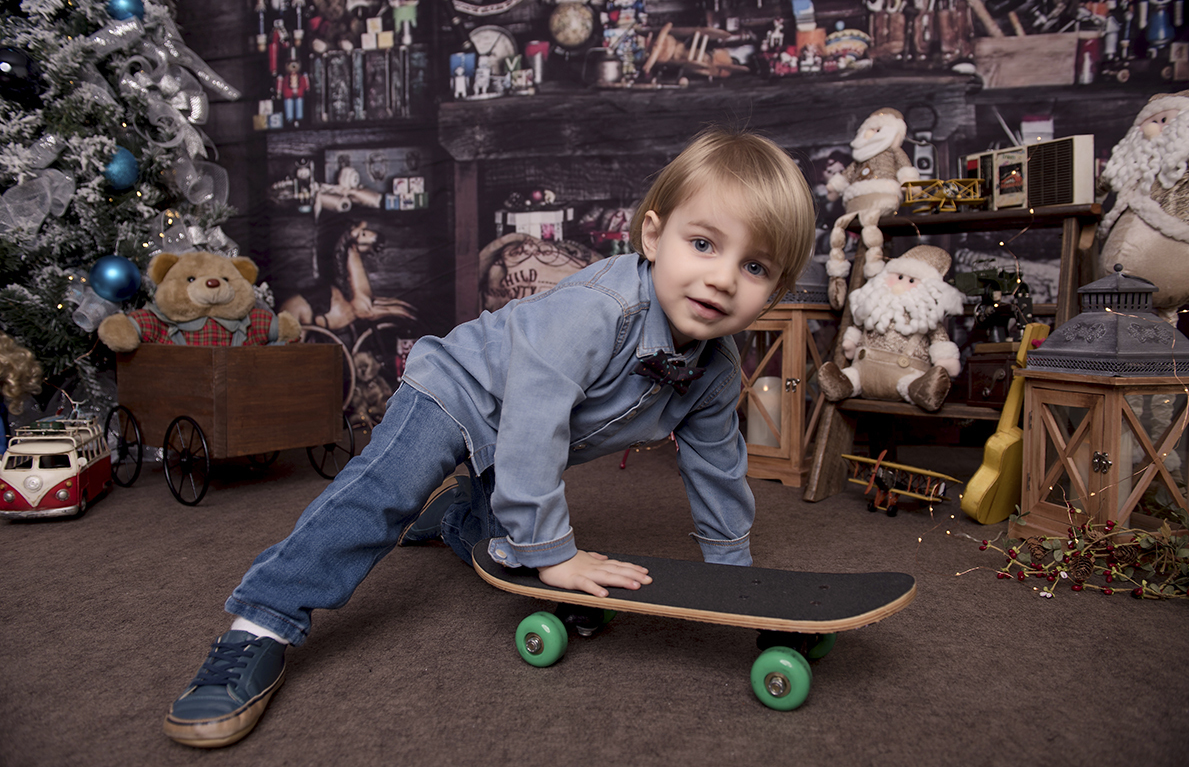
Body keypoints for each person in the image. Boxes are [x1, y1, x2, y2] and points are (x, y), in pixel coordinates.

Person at [162, 126, 816, 748]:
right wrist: (554, 554)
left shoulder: (715, 370)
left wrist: (733, 582)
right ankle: (262, 621)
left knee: (494, 538)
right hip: (460, 391)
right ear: (653, 234)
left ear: (777, 291)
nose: (723, 277)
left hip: (526, 439)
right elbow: (533, 424)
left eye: (755, 267)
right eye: (703, 244)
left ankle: (454, 517)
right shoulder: (600, 312)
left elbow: (718, 469)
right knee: (384, 494)